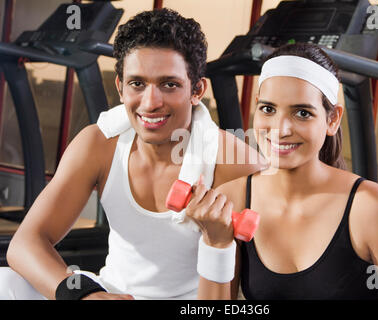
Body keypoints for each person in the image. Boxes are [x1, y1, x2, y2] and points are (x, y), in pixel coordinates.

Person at [1, 8, 265, 300]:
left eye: (169, 84)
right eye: (137, 83)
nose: (150, 103)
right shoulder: (99, 143)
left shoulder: (235, 162)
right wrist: (86, 296)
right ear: (120, 87)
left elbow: (234, 293)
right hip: (110, 293)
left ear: (197, 90)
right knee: (5, 281)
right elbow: (25, 243)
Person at [199, 42, 378, 299]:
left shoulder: (373, 208)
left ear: (332, 119)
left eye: (302, 113)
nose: (281, 128)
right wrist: (216, 244)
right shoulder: (234, 198)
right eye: (268, 109)